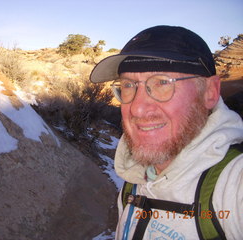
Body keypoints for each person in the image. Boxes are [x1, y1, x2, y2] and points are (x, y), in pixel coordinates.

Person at [89, 25, 243, 239]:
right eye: (128, 85)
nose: (137, 108)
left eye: (162, 82)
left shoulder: (233, 184)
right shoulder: (133, 184)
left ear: (210, 92)